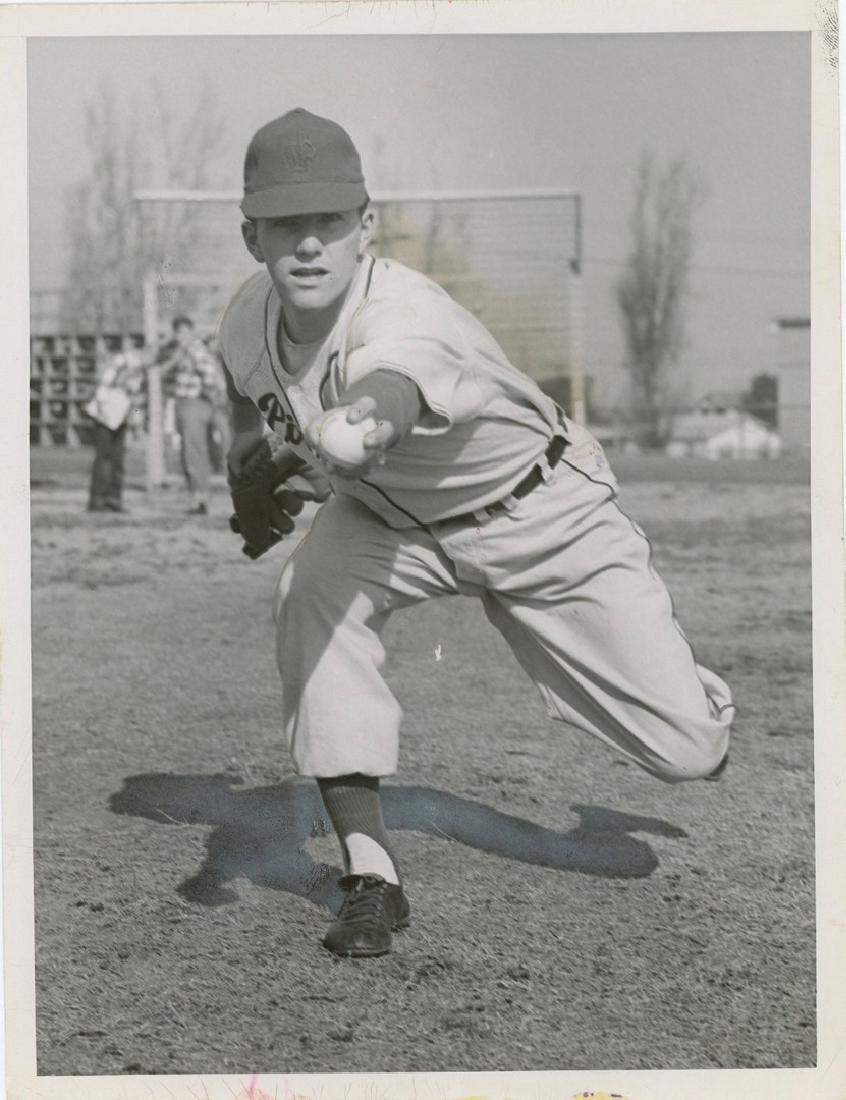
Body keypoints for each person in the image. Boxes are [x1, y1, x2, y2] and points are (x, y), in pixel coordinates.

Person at [218, 108, 734, 959]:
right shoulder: (243, 320)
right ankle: (371, 874)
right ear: (251, 237)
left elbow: (387, 398)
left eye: (329, 222)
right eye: (285, 224)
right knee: (311, 591)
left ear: (365, 228)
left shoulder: (410, 312)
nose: (308, 245)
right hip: (389, 523)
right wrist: (260, 469)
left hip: (539, 513)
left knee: (686, 752)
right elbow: (268, 412)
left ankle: (694, 701)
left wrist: (349, 436)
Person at [158, 315, 225, 515]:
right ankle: (196, 496)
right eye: (178, 332)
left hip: (194, 404)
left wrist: (210, 394)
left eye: (184, 332)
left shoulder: (195, 350)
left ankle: (200, 498)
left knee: (193, 451)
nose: (180, 336)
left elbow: (210, 376)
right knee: (191, 450)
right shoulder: (183, 351)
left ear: (191, 331)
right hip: (185, 403)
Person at [85, 344, 145, 513]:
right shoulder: (122, 361)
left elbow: (138, 401)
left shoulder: (140, 372)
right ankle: (97, 501)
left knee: (117, 460)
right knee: (103, 458)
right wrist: (102, 410)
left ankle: (114, 499)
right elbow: (103, 385)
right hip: (105, 416)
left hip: (121, 417)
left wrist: (137, 421)